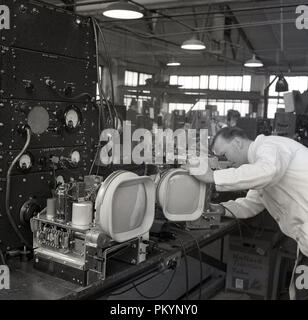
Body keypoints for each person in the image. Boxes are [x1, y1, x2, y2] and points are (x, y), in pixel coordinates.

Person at [186, 126, 308, 300]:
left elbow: (267, 172)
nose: (225, 161)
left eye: (224, 154)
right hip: (304, 240)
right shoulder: (260, 167)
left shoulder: (269, 146)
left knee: (301, 292)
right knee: (299, 291)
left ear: (237, 142)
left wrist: (212, 177)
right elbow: (251, 203)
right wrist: (221, 209)